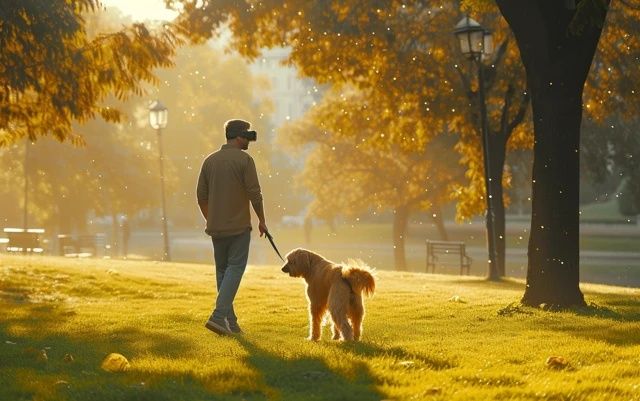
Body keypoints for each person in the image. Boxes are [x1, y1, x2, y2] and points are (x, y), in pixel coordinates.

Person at [196, 119, 268, 335]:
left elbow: (201, 196)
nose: (249, 140)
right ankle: (218, 316)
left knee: (223, 271)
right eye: (247, 136)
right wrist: (262, 220)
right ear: (239, 137)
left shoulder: (210, 161)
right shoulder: (245, 160)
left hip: (216, 228)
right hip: (238, 227)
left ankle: (230, 323)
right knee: (235, 269)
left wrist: (211, 218)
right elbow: (255, 193)